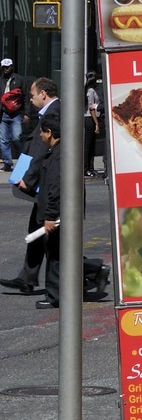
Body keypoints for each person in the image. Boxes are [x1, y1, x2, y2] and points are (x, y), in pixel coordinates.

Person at [0, 77, 60, 294]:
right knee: (37, 229)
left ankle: (90, 271)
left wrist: (29, 178)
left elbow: (43, 151)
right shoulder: (48, 112)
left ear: (43, 93)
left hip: (47, 182)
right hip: (42, 181)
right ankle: (27, 278)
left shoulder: (53, 113)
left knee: (51, 237)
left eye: (33, 95)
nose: (31, 100)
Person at [31, 110, 61, 309]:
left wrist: (50, 216)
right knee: (60, 255)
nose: (40, 136)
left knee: (56, 256)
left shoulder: (58, 156)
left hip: (56, 217)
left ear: (49, 132)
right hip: (58, 215)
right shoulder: (57, 153)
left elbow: (55, 188)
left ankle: (54, 296)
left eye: (41, 132)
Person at [0, 59, 24, 170]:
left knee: (16, 137)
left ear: (12, 67)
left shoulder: (19, 79)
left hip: (16, 113)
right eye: (4, 67)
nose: (6, 69)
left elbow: (26, 97)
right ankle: (7, 163)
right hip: (3, 114)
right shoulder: (0, 80)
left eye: (8, 67)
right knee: (3, 140)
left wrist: (27, 113)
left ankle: (22, 161)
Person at [84, 72, 102, 178]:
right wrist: (96, 123)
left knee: (90, 145)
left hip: (89, 119)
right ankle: (87, 168)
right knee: (88, 145)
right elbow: (91, 109)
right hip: (90, 119)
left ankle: (90, 167)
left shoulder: (86, 90)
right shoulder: (90, 91)